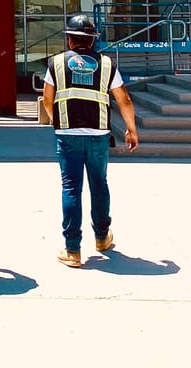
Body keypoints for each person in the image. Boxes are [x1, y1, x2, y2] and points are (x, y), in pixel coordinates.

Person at [42, 14, 139, 268]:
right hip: (98, 136)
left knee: (71, 188)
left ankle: (72, 250)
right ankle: (102, 238)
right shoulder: (107, 64)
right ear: (93, 41)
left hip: (67, 135)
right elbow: (124, 99)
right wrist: (131, 130)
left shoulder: (57, 63)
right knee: (99, 184)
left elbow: (47, 99)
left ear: (70, 39)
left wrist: (57, 121)